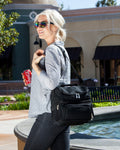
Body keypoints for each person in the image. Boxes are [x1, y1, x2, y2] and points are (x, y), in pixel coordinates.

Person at [24, 9, 70, 150]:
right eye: (37, 24)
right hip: (62, 112)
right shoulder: (61, 49)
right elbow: (56, 82)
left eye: (43, 24)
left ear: (55, 26)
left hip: (50, 113)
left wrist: (35, 67)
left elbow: (51, 84)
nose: (38, 28)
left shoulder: (52, 51)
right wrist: (33, 78)